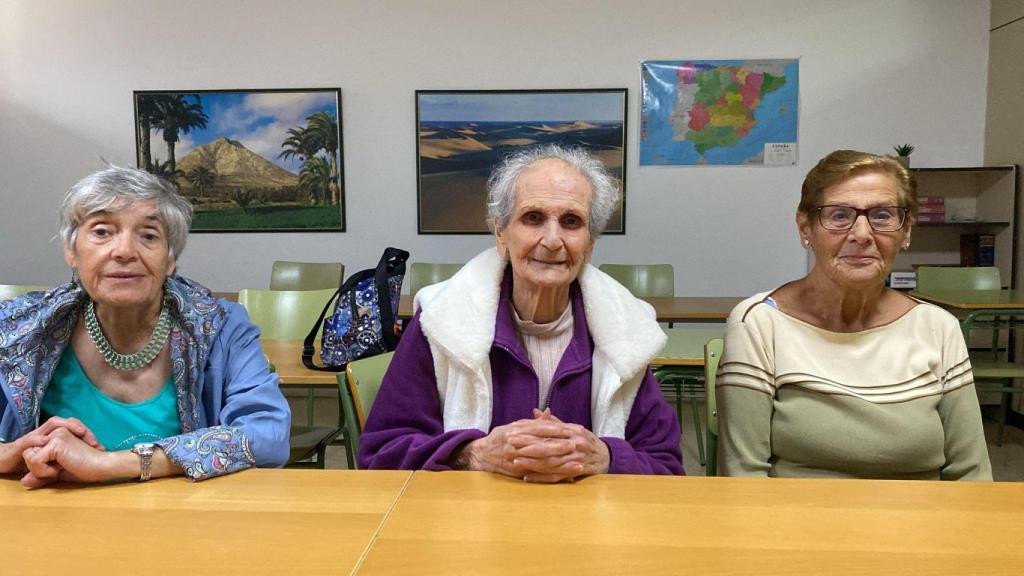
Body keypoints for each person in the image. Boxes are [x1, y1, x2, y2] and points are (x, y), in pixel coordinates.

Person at [360, 145, 683, 481]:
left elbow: (667, 466)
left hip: (586, 525)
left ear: (589, 245)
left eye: (572, 222)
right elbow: (381, 452)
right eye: (533, 218)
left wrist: (606, 456)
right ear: (501, 233)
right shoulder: (442, 319)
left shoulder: (625, 331)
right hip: (470, 525)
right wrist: (472, 453)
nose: (553, 239)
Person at [0, 166, 290, 488]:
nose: (124, 252)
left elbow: (268, 436)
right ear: (72, 251)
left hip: (184, 523)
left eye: (148, 236)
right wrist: (12, 452)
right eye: (101, 232)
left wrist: (110, 465)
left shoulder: (222, 327)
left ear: (170, 259)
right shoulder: (19, 330)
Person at [717, 150, 991, 480]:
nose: (861, 234)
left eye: (882, 216)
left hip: (920, 525)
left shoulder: (937, 327)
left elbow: (972, 474)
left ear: (905, 232)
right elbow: (743, 476)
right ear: (806, 228)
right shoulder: (759, 324)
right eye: (838, 215)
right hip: (799, 524)